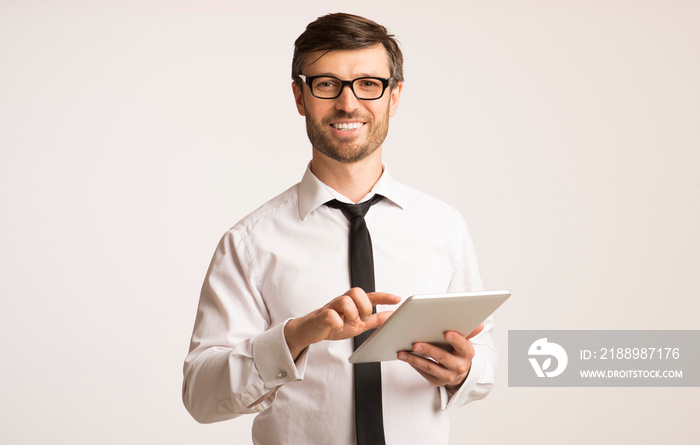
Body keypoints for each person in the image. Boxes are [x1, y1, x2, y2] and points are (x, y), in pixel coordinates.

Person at [182, 12, 496, 444]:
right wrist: (295, 336)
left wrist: (466, 370)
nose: (348, 104)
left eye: (368, 84)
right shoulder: (250, 242)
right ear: (299, 96)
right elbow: (200, 395)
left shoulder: (443, 226)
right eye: (327, 84)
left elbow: (485, 362)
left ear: (395, 96)